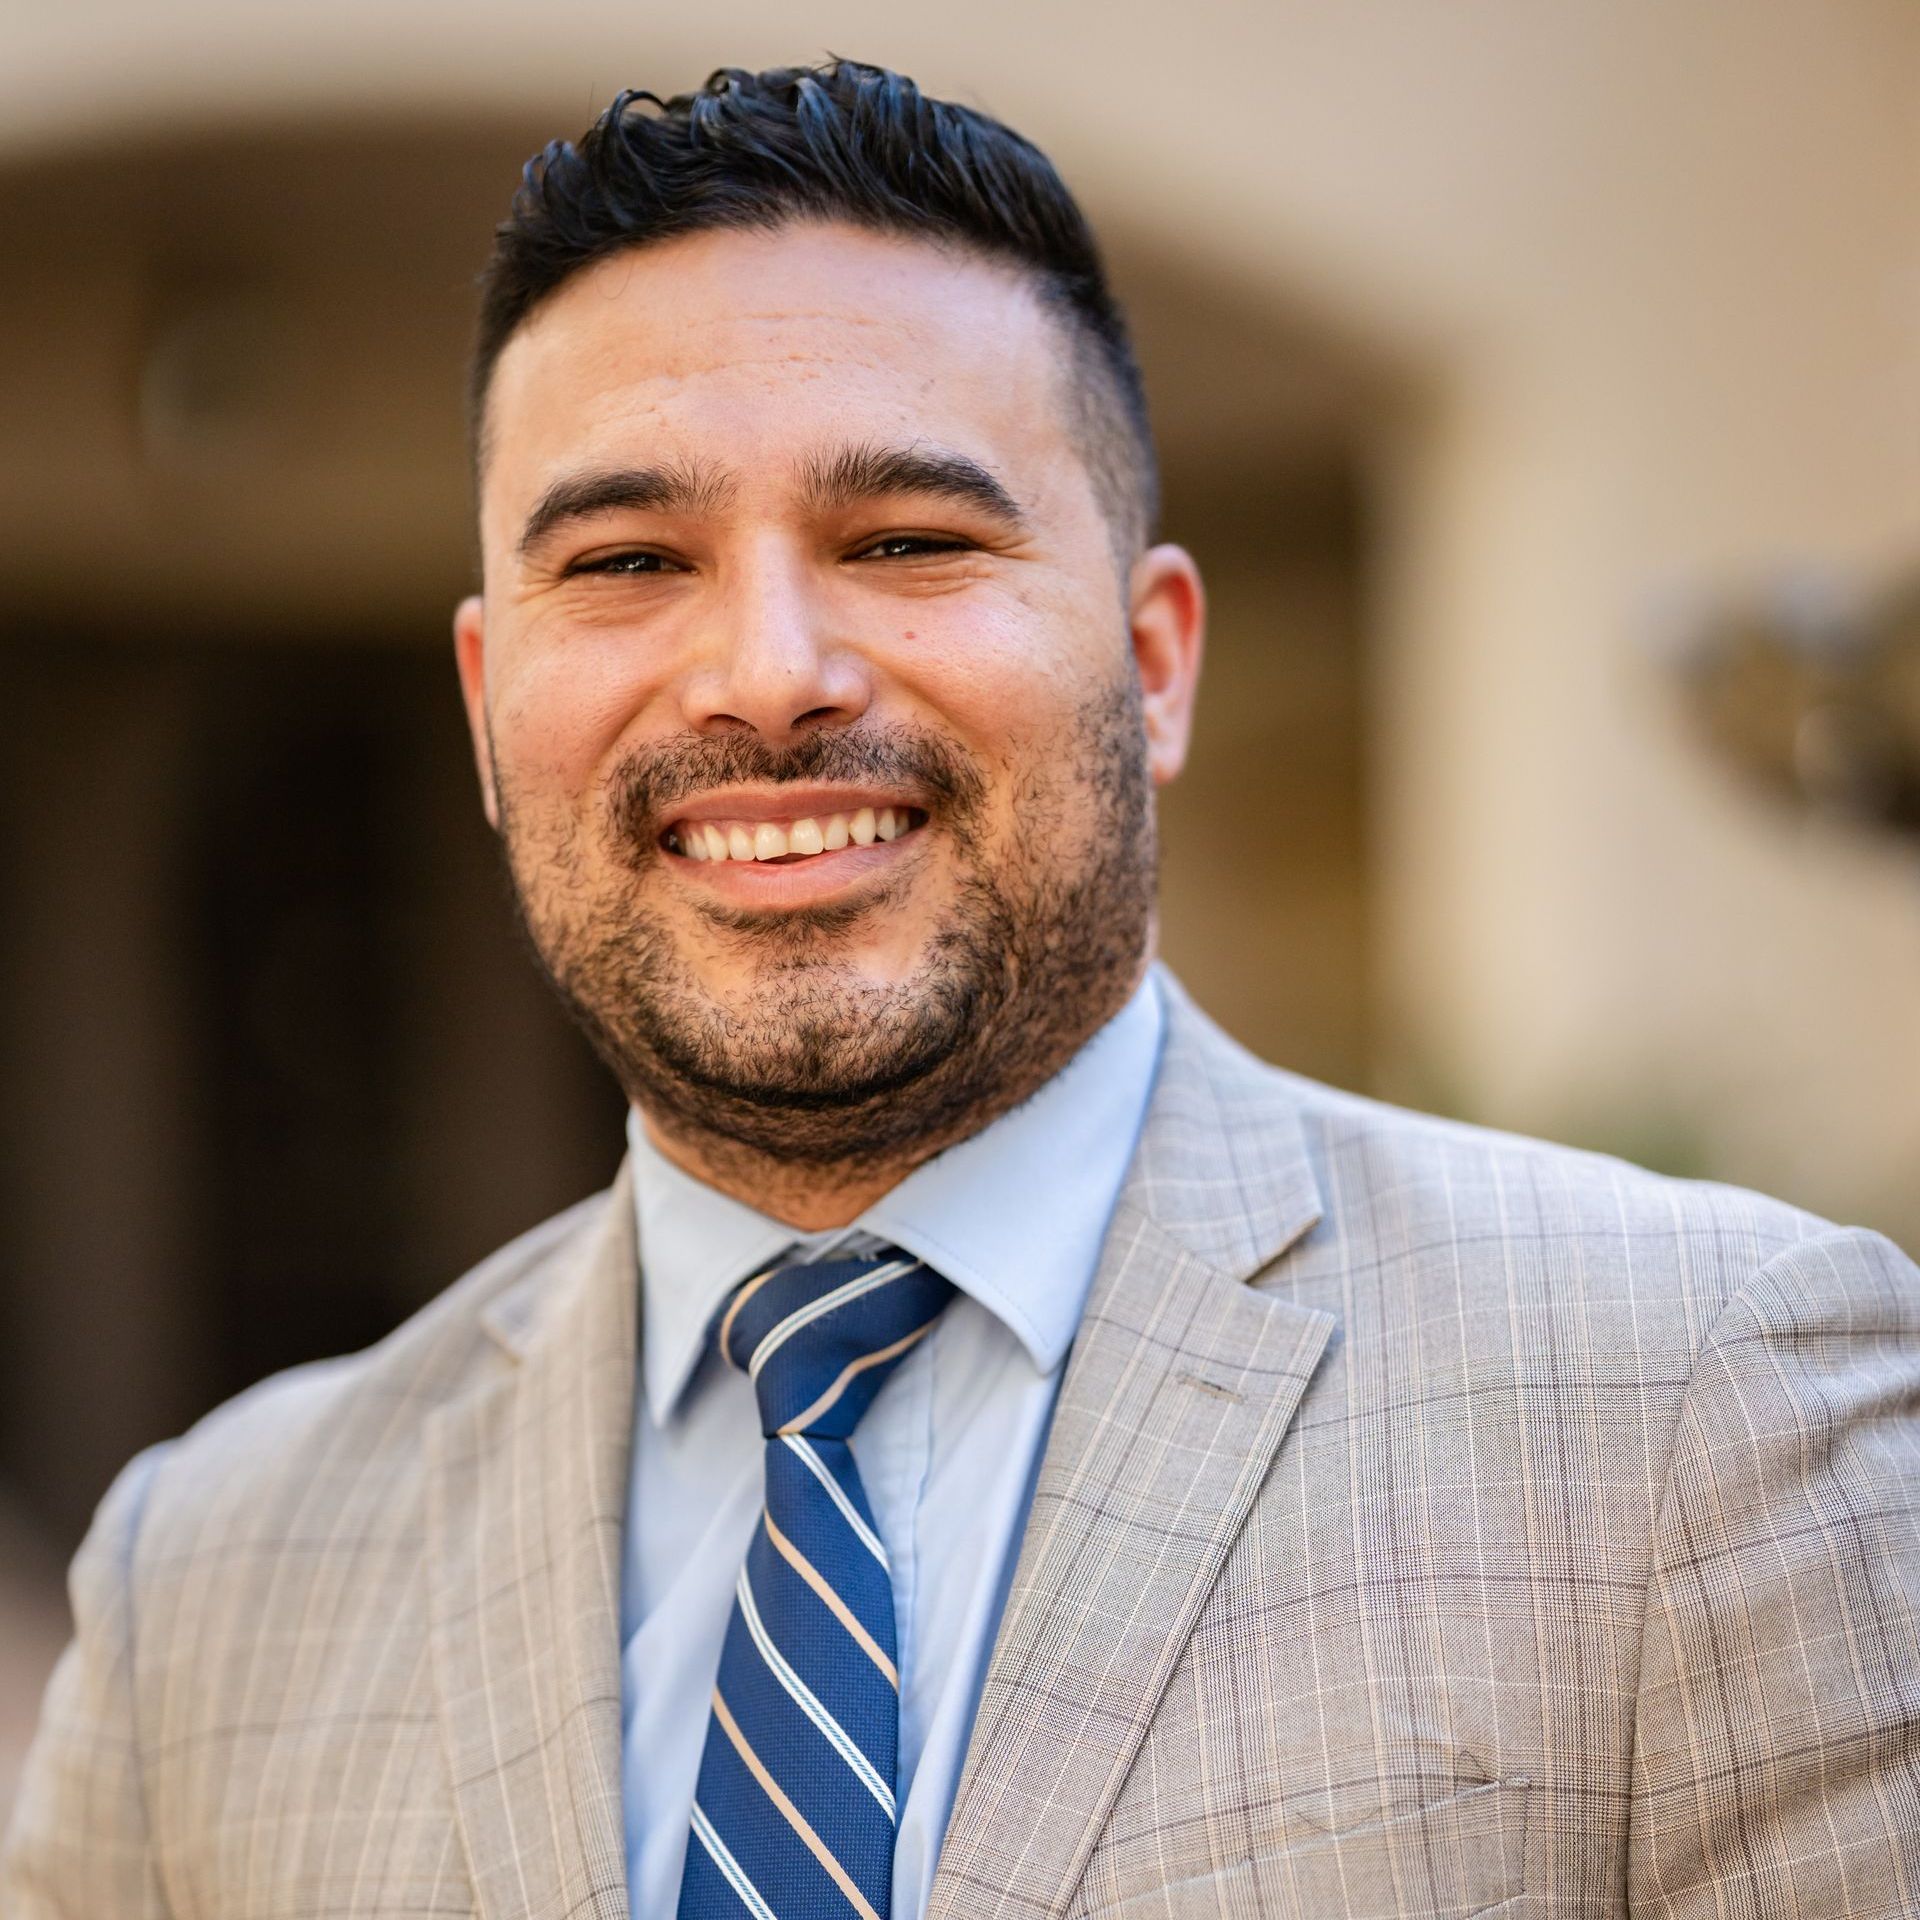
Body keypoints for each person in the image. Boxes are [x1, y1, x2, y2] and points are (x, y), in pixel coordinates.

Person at [5, 58, 1918, 1920]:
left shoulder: (1704, 1403)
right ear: (490, 709)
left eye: (907, 540)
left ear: (1154, 663)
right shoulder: (213, 1588)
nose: (766, 672)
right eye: (629, 559)